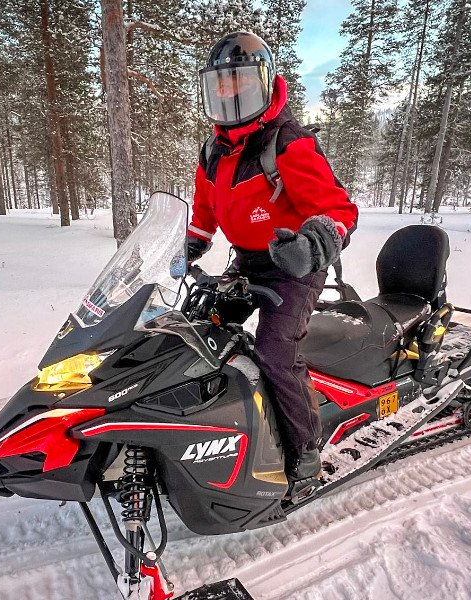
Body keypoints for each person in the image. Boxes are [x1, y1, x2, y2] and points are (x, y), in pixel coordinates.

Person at [187, 31, 358, 491]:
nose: (229, 94)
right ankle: (214, 425)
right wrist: (191, 244)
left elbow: (340, 210)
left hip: (295, 264)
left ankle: (306, 451)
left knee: (276, 351)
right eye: (220, 85)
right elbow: (205, 208)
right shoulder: (214, 152)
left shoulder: (287, 145)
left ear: (262, 84)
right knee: (202, 330)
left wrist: (314, 245)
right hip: (248, 260)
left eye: (238, 84)